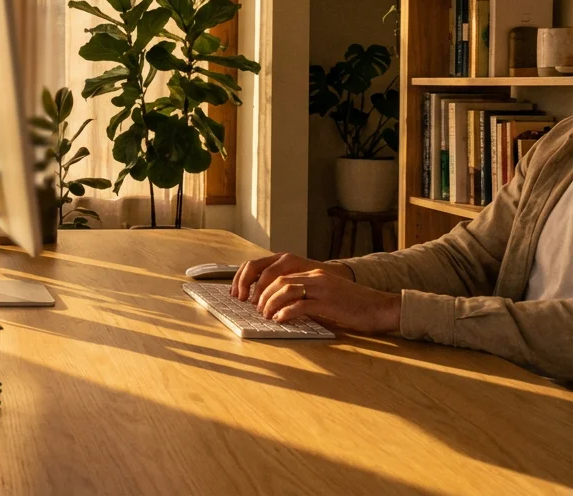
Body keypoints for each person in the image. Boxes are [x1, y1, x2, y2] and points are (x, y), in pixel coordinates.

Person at [232, 117, 573, 381]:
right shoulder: (559, 146)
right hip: (511, 385)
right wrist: (340, 276)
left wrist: (391, 310)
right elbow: (464, 258)